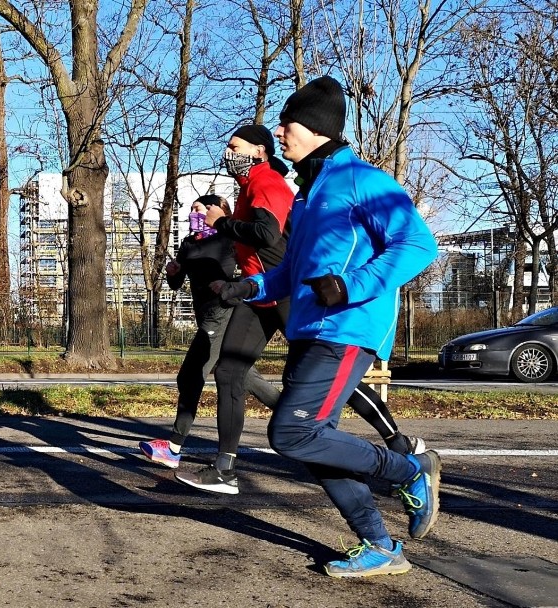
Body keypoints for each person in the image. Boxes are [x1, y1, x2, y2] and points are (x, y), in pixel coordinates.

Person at [219, 75, 440, 577]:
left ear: (316, 128)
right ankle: (380, 546)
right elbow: (291, 272)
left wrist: (349, 286)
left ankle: (410, 470)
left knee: (293, 433)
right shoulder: (308, 193)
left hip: (346, 327)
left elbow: (418, 245)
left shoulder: (364, 179)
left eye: (287, 122)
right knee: (318, 448)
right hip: (309, 328)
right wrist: (247, 289)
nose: (280, 130)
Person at [172, 124, 423, 495]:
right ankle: (225, 468)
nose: (227, 154)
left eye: (233, 146)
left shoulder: (268, 183)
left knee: (327, 383)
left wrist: (222, 224)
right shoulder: (246, 190)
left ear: (258, 152)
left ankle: (397, 445)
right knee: (228, 372)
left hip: (293, 295)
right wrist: (239, 283)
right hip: (261, 293)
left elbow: (267, 234)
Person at [138, 195, 282, 469]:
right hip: (205, 314)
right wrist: (173, 272)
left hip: (225, 310)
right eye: (191, 209)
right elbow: (177, 282)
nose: (194, 213)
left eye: (199, 209)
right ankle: (293, 414)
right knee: (242, 374)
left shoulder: (229, 238)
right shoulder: (190, 243)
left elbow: (251, 269)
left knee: (192, 374)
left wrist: (232, 283)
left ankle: (173, 447)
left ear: (219, 211)